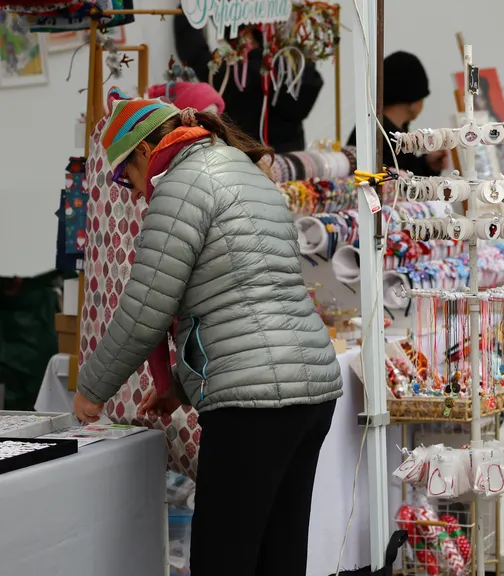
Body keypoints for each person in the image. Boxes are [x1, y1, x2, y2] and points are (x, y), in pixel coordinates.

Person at [74, 99, 343, 576]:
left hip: (255, 404)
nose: (132, 192)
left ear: (143, 151)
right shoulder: (243, 171)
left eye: (123, 176)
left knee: (224, 558)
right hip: (312, 388)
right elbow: (240, 296)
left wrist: (91, 390)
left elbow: (143, 310)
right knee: (278, 557)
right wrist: (178, 387)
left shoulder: (180, 187)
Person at [174, 4, 324, 153]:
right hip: (291, 161)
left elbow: (198, 58)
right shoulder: (299, 73)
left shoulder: (238, 74)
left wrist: (190, 5)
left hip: (249, 161)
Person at [346, 51, 449, 176]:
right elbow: (402, 186)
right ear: (412, 100)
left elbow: (406, 172)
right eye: (422, 98)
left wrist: (427, 164)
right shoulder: (381, 137)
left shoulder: (380, 128)